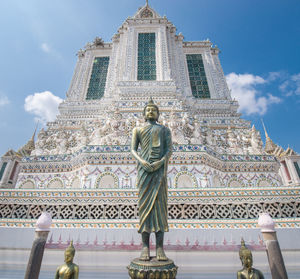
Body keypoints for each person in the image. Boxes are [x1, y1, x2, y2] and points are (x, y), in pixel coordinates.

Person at [131, 98, 172, 261]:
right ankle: (145, 246)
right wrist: (142, 161)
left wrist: (161, 162)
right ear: (144, 113)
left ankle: (160, 247)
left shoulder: (164, 130)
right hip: (144, 170)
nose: (150, 112)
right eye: (148, 110)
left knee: (160, 208)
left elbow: (169, 150)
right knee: (144, 209)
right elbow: (133, 150)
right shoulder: (138, 129)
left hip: (159, 171)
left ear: (157, 114)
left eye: (153, 110)